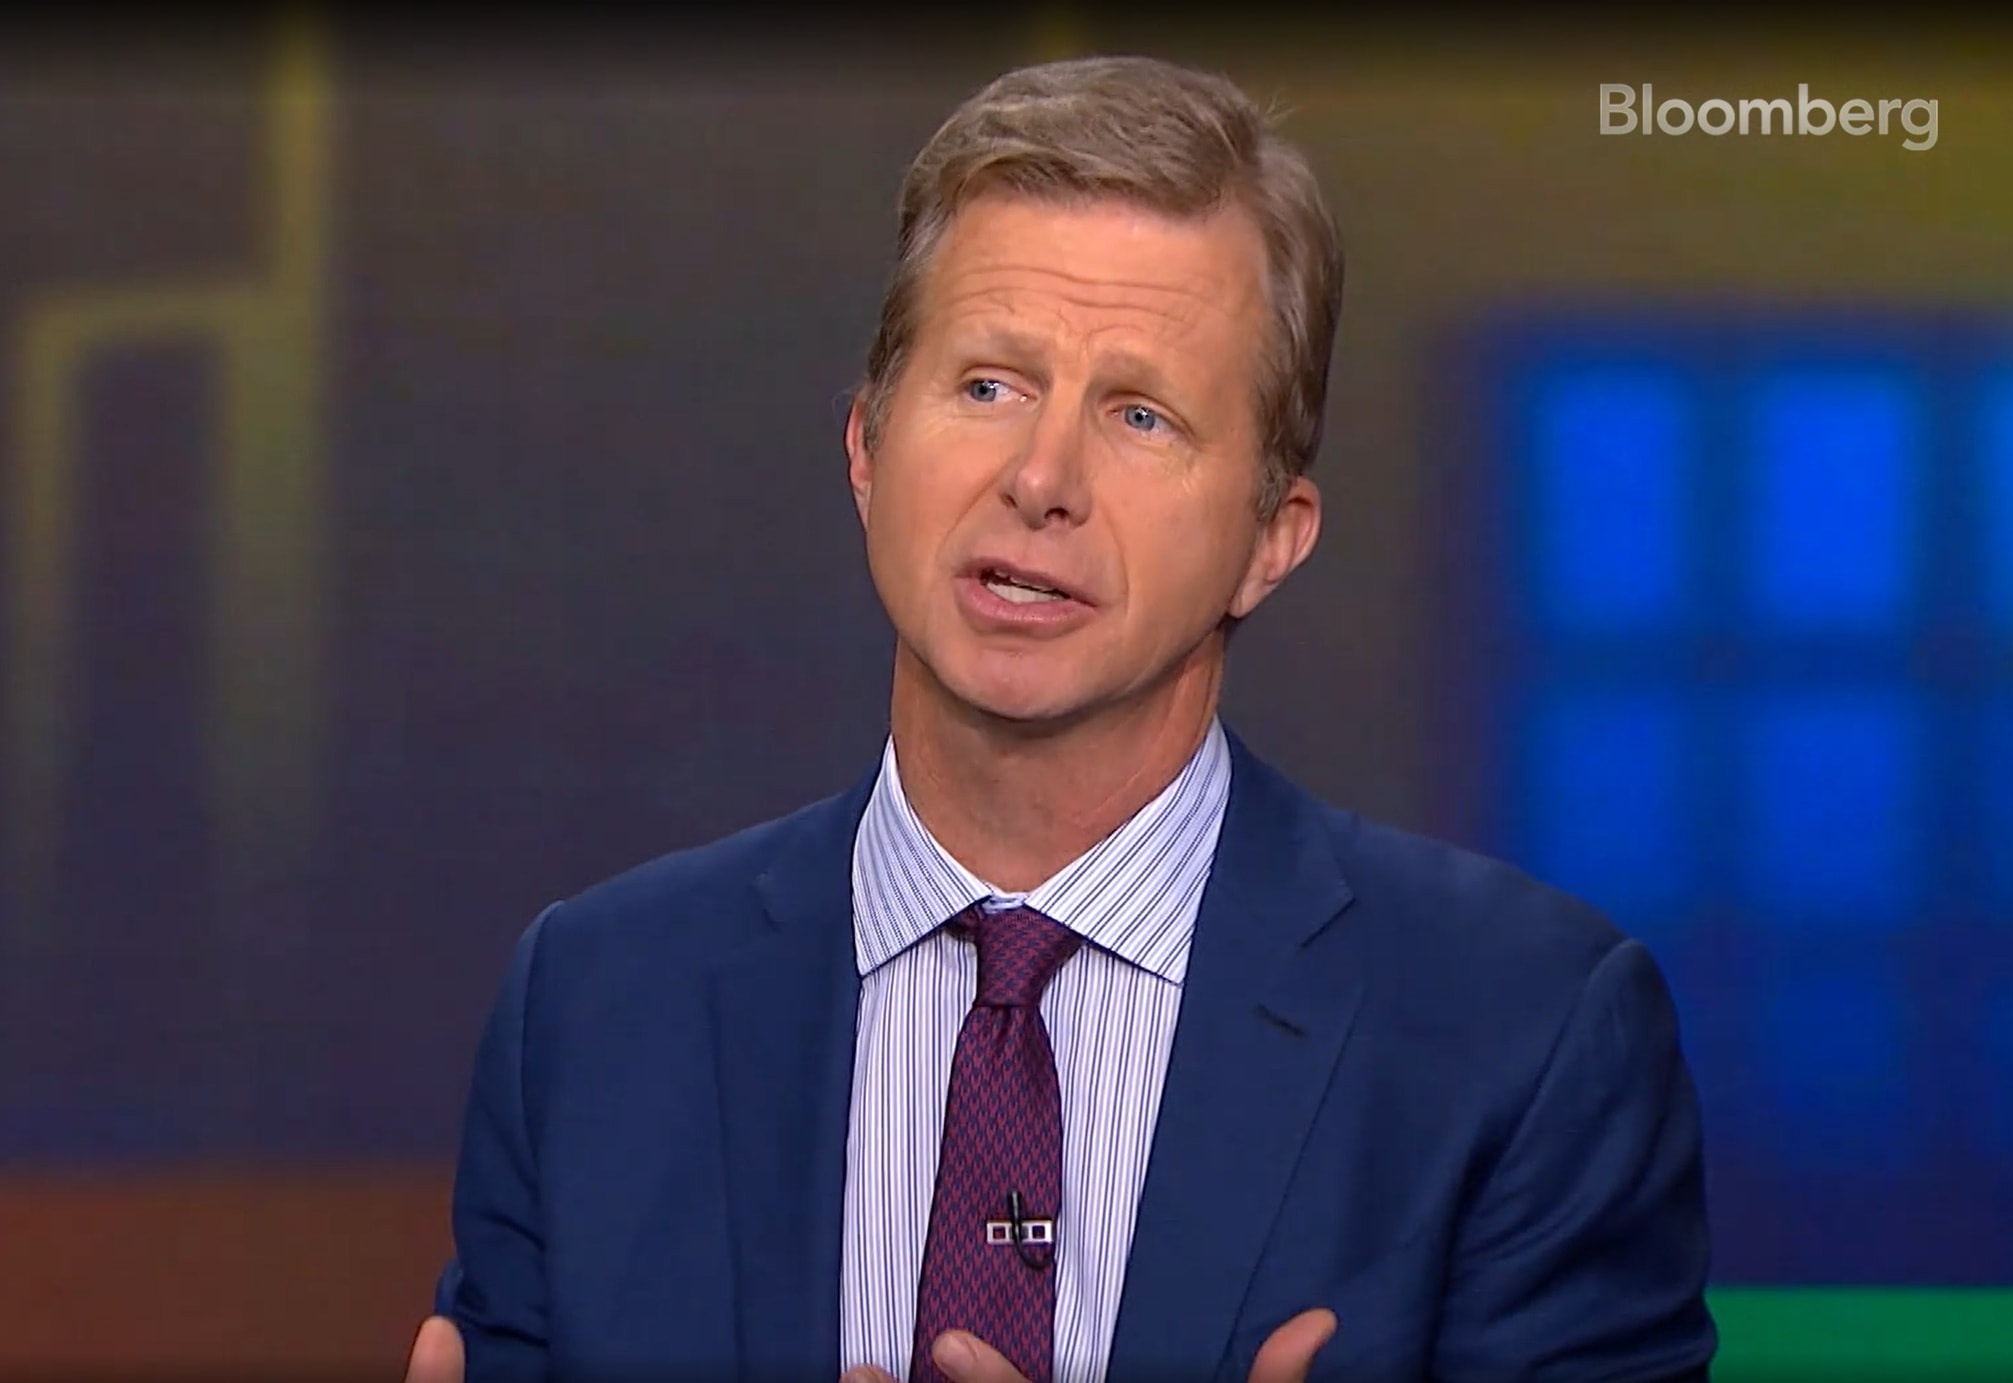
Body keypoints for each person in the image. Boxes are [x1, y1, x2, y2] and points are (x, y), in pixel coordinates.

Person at [404, 54, 1717, 1383]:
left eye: (1141, 416)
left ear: (1271, 538)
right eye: (989, 386)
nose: (1041, 478)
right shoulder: (595, 1010)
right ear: (866, 449)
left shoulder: (1524, 1038)